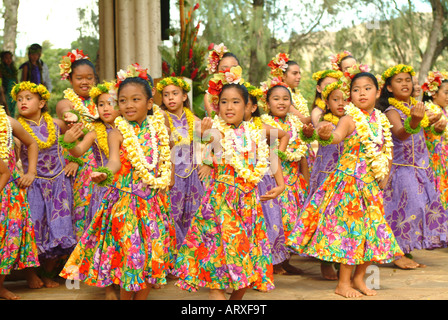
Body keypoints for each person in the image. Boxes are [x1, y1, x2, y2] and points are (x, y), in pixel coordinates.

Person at [60, 64, 176, 301]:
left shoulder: (159, 128)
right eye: (123, 100)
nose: (129, 105)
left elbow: (168, 152)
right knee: (131, 257)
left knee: (149, 258)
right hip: (126, 204)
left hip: (153, 204)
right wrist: (104, 172)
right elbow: (114, 161)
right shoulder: (117, 132)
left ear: (150, 103)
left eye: (135, 99)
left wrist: (170, 174)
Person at [173, 66, 289, 300]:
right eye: (223, 102)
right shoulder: (214, 131)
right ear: (217, 106)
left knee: (245, 266)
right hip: (220, 203)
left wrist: (281, 183)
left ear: (248, 107)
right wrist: (202, 138)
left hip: (248, 204)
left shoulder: (256, 131)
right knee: (218, 259)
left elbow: (275, 144)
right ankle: (216, 292)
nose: (228, 107)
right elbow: (202, 160)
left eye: (235, 102)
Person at [287, 70, 403, 298]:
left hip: (371, 187)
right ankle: (343, 283)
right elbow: (337, 136)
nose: (361, 93)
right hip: (348, 186)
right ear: (350, 95)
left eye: (367, 89)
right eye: (356, 90)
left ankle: (359, 279)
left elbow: (386, 150)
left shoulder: (380, 120)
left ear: (377, 91)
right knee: (350, 234)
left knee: (372, 234)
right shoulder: (349, 118)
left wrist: (386, 175)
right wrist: (326, 133)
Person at [377, 64, 448, 269]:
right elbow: (401, 134)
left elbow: (422, 130)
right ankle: (397, 254)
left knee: (416, 207)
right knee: (406, 208)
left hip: (419, 167)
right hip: (401, 167)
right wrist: (416, 120)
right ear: (389, 88)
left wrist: (432, 124)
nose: (405, 84)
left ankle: (404, 250)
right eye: (399, 81)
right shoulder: (391, 111)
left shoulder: (414, 107)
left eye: (408, 80)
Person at [13, 81, 76, 289]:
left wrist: (76, 160)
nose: (23, 102)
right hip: (33, 184)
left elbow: (78, 139)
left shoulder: (57, 124)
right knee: (34, 229)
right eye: (19, 99)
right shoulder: (17, 126)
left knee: (60, 228)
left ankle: (49, 273)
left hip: (59, 182)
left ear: (41, 103)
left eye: (28, 98)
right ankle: (31, 274)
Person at [259, 78, 310, 275]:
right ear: (267, 103)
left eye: (285, 99)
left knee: (292, 221)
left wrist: (305, 179)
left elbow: (302, 152)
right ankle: (273, 263)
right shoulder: (263, 124)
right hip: (274, 178)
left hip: (294, 181)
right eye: (276, 99)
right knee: (275, 220)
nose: (281, 102)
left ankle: (285, 260)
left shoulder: (296, 123)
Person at [303, 80, 347, 280]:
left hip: (347, 177)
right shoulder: (324, 121)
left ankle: (341, 259)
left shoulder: (355, 121)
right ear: (327, 103)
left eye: (344, 99)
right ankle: (325, 261)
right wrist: (320, 131)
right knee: (326, 216)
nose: (341, 103)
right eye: (335, 99)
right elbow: (320, 129)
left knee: (343, 217)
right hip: (326, 176)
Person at [244, 81, 290, 272]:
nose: (232, 107)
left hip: (261, 184)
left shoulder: (260, 128)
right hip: (233, 188)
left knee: (264, 224)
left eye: (241, 103)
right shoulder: (221, 129)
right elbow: (205, 145)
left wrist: (280, 183)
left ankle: (261, 268)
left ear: (254, 107)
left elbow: (279, 141)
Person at [156, 76, 205, 251]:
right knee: (171, 214)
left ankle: (191, 257)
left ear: (184, 96)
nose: (170, 98)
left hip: (192, 175)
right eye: (166, 94)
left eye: (175, 94)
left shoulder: (194, 120)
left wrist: (205, 165)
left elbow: (203, 145)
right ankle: (172, 256)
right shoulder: (159, 118)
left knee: (193, 214)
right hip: (171, 175)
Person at [56, 49, 99, 241]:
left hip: (103, 160)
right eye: (79, 78)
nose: (85, 82)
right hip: (79, 161)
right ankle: (78, 255)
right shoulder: (67, 101)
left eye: (89, 77)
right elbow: (66, 113)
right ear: (70, 80)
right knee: (81, 205)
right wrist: (70, 116)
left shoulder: (102, 102)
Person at [0, 104, 40, 300]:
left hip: (10, 189)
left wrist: (31, 172)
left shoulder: (8, 122)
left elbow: (32, 143)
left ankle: (0, 285)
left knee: (9, 235)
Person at [421, 70, 448, 210]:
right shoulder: (429, 111)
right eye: (446, 92)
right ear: (434, 93)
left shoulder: (444, 111)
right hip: (434, 162)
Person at [203, 43, 240, 117]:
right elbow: (216, 121)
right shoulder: (209, 97)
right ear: (216, 71)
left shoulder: (245, 92)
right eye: (224, 69)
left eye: (233, 68)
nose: (229, 72)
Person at [0, 51, 18, 117]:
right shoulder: (1, 69)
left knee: (12, 108)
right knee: (6, 109)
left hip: (13, 92)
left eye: (10, 58)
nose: (8, 60)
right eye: (6, 58)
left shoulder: (13, 69)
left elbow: (16, 80)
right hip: (5, 92)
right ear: (2, 59)